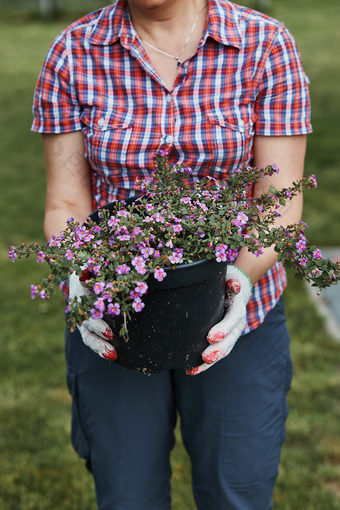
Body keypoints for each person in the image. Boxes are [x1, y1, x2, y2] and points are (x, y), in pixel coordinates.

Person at [32, 0, 312, 508]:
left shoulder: (265, 44)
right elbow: (67, 202)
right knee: (128, 496)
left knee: (237, 494)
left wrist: (239, 284)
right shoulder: (73, 52)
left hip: (242, 323)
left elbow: (279, 209)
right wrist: (81, 276)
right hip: (117, 315)